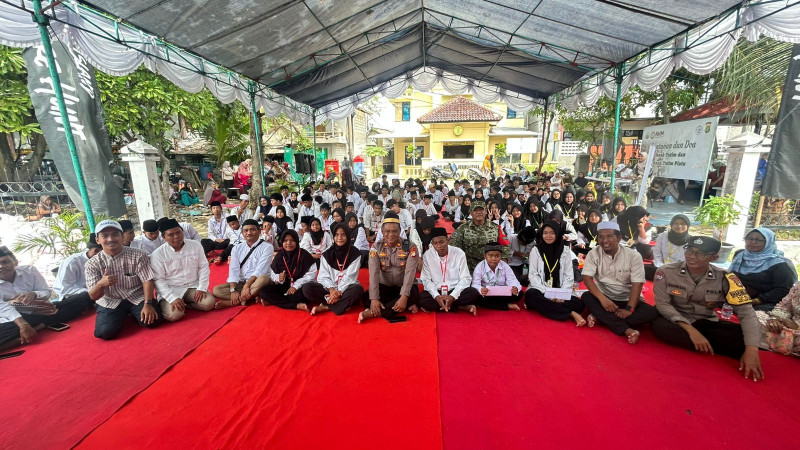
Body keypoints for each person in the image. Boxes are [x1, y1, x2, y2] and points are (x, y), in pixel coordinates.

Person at [652, 236, 763, 381]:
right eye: (689, 251)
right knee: (659, 326)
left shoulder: (726, 278)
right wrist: (691, 331)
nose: (692, 256)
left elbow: (746, 312)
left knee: (745, 336)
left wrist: (752, 349)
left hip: (705, 322)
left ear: (715, 257)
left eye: (700, 254)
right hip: (676, 321)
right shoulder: (666, 271)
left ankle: (704, 342)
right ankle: (705, 342)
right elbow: (662, 304)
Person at [581, 222, 659, 344]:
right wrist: (603, 299)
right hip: (605, 298)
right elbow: (587, 278)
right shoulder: (593, 253)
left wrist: (629, 309)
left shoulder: (633, 256)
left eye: (609, 236)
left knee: (652, 312)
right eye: (601, 236)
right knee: (586, 296)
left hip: (628, 299)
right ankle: (626, 329)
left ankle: (601, 317)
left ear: (619, 238)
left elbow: (637, 284)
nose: (604, 240)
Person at [84, 220, 160, 340]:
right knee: (105, 333)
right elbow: (93, 296)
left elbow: (147, 280)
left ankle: (131, 312)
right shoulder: (92, 264)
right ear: (97, 240)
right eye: (104, 236)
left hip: (136, 297)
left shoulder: (138, 255)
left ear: (121, 236)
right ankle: (118, 314)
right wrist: (101, 284)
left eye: (115, 234)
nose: (110, 239)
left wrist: (148, 304)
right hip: (110, 300)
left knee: (153, 321)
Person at [149, 219, 215, 322]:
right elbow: (158, 280)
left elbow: (203, 267)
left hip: (193, 286)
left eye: (178, 232)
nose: (176, 237)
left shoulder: (196, 245)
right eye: (171, 235)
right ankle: (168, 305)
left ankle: (187, 304)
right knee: (175, 315)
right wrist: (172, 298)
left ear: (182, 231)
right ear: (163, 237)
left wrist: (201, 287)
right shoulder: (157, 255)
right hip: (171, 289)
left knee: (209, 303)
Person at [360, 212, 420, 323]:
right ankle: (397, 307)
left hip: (404, 286)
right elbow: (373, 273)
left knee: (413, 295)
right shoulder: (376, 247)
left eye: (394, 231)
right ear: (382, 232)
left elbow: (410, 273)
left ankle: (373, 312)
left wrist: (404, 297)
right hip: (385, 286)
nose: (391, 235)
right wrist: (374, 299)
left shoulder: (410, 247)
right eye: (387, 231)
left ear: (400, 231)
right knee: (366, 298)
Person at [524, 221, 586, 326]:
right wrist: (547, 293)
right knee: (531, 295)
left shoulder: (565, 251)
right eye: (545, 233)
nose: (548, 236)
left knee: (579, 304)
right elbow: (533, 275)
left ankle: (548, 306)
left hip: (561, 290)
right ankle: (570, 313)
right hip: (541, 290)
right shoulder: (536, 250)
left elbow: (568, 276)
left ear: (557, 234)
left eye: (552, 233)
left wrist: (560, 295)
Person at [729, 227, 797, 312]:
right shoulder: (740, 255)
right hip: (737, 295)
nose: (753, 242)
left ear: (768, 242)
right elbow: (730, 276)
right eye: (749, 238)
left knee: (748, 315)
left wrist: (757, 300)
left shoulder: (779, 264)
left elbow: (783, 290)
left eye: (758, 240)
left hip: (764, 301)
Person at [302, 223, 363, 316]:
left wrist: (339, 292)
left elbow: (350, 277)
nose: (340, 238)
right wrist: (332, 290)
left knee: (357, 290)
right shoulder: (327, 254)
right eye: (337, 235)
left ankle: (327, 306)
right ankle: (341, 304)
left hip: (346, 288)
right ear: (333, 237)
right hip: (329, 289)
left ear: (348, 236)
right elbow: (322, 277)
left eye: (343, 235)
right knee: (307, 288)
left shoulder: (355, 254)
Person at [212, 219, 273, 308]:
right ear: (242, 233)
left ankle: (233, 302)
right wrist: (233, 290)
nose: (249, 233)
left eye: (252, 229)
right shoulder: (236, 248)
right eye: (246, 230)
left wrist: (247, 286)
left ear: (259, 231)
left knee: (263, 279)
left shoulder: (267, 247)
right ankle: (251, 296)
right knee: (216, 290)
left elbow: (260, 270)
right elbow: (233, 270)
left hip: (257, 281)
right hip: (242, 282)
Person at [418, 228, 479, 314]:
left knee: (473, 293)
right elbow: (425, 279)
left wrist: (453, 296)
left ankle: (443, 306)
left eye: (441, 242)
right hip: (437, 291)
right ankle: (460, 307)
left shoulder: (459, 253)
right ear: (432, 244)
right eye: (435, 243)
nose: (439, 246)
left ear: (448, 240)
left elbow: (465, 278)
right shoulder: (428, 255)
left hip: (455, 290)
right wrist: (436, 296)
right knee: (422, 298)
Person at [259, 230, 317, 311]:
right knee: (263, 292)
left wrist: (296, 286)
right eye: (285, 241)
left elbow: (311, 275)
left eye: (292, 240)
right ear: (282, 242)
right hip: (285, 286)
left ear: (296, 241)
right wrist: (278, 277)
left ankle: (276, 301)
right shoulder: (280, 255)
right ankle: (296, 306)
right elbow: (272, 273)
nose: (288, 243)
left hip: (301, 286)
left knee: (302, 295)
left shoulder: (305, 255)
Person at [450, 200, 509, 272]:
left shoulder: (495, 228)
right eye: (475, 210)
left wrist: (503, 260)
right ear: (471, 213)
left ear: (486, 211)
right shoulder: (463, 228)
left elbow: (506, 245)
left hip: (490, 266)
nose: (479, 212)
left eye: (481, 210)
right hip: (468, 267)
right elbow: (453, 243)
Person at [52, 233, 103, 317]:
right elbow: (65, 289)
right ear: (96, 251)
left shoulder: (103, 260)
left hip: (96, 294)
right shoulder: (72, 262)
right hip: (75, 297)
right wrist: (91, 291)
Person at [472, 242, 522, 311]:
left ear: (501, 256)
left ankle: (494, 304)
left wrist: (515, 288)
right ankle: (506, 305)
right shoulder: (479, 267)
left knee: (520, 293)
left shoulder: (505, 266)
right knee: (476, 296)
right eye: (490, 256)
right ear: (485, 256)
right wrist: (480, 289)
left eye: (497, 256)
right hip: (487, 294)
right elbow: (475, 284)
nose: (494, 259)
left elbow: (512, 280)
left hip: (502, 292)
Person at [759, 283, 800, 356]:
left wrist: (797, 327)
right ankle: (781, 343)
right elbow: (783, 306)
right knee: (755, 317)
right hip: (788, 325)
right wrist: (776, 319)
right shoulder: (798, 286)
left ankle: (779, 343)